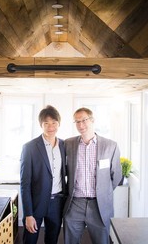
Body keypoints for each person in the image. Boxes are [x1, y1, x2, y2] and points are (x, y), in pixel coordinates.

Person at [63, 107, 122, 244]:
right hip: (75, 203)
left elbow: (116, 175)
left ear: (92, 120)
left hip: (99, 205)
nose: (80, 125)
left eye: (84, 120)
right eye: (77, 122)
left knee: (101, 241)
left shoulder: (110, 146)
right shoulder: (68, 144)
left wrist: (103, 192)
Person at [20, 105, 66, 244]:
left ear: (59, 124)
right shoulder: (30, 147)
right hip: (36, 204)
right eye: (46, 123)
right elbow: (25, 184)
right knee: (30, 240)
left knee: (52, 240)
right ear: (41, 125)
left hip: (57, 203)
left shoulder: (65, 145)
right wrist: (28, 214)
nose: (51, 127)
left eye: (54, 123)